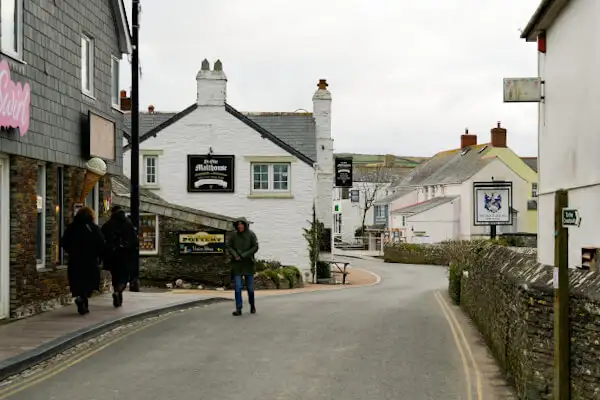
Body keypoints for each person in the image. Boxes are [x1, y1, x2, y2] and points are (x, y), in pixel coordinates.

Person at [61, 206, 105, 315]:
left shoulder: (71, 227)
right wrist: (99, 256)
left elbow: (64, 242)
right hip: (90, 260)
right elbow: (101, 243)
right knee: (88, 282)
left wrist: (70, 251)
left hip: (75, 260)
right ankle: (83, 300)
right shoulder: (93, 228)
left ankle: (81, 299)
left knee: (77, 281)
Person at [101, 205, 138, 307]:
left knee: (115, 276)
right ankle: (118, 292)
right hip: (125, 255)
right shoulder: (127, 224)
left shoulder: (108, 224)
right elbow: (134, 241)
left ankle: (117, 293)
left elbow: (102, 238)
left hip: (112, 255)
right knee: (124, 277)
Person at [226, 217, 259, 316]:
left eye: (242, 224)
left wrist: (244, 255)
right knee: (238, 287)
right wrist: (235, 255)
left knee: (250, 288)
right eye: (238, 224)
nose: (240, 226)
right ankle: (238, 308)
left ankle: (252, 305)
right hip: (237, 265)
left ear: (245, 225)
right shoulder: (233, 235)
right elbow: (229, 246)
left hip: (248, 263)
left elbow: (255, 247)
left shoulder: (251, 235)